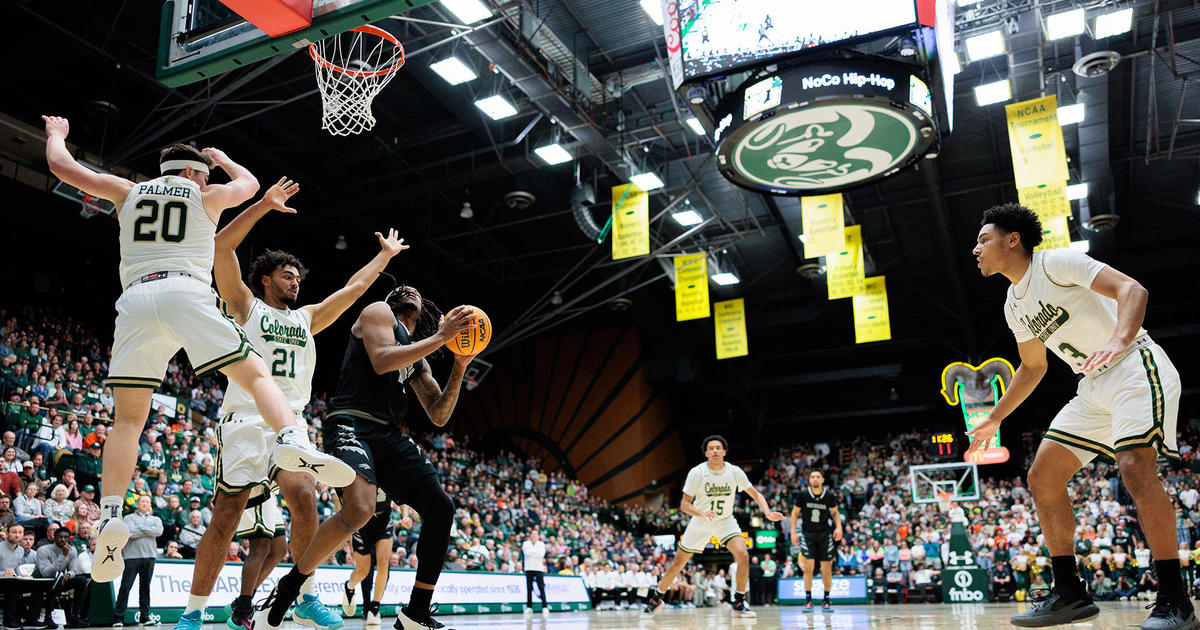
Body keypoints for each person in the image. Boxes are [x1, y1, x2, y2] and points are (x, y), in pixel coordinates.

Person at [41, 115, 353, 584]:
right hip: (185, 292)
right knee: (256, 374)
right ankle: (290, 438)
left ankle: (108, 515)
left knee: (127, 419)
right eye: (203, 172)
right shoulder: (205, 195)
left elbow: (61, 168)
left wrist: (56, 135)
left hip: (135, 300)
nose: (208, 179)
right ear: (190, 173)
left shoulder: (126, 190)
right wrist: (223, 160)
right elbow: (247, 184)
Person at [172, 178, 405, 630]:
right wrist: (262, 205)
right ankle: (193, 613)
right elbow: (221, 250)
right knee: (225, 518)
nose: (295, 282)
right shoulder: (244, 306)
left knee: (303, 499)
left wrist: (384, 257)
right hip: (244, 419)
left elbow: (354, 289)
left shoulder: (308, 317)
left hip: (290, 426)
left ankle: (304, 594)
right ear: (266, 278)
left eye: (299, 278)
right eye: (287, 275)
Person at [967, 203, 1193, 630]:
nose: (975, 249)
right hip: (1092, 388)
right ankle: (1069, 592)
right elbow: (1033, 368)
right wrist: (995, 418)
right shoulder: (1014, 304)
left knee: (1134, 467)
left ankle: (1175, 600)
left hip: (1133, 366)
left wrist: (1120, 339)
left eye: (983, 239)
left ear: (1012, 240)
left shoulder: (1056, 262)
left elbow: (1133, 290)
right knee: (1042, 475)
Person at [255, 287, 477, 630]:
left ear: (421, 312)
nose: (410, 291)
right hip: (350, 420)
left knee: (441, 508)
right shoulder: (378, 312)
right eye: (403, 289)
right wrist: (441, 337)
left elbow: (438, 414)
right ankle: (290, 587)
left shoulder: (417, 357)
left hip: (387, 435)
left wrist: (460, 366)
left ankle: (416, 612)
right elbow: (382, 359)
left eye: (416, 291)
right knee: (360, 508)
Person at [642, 435, 785, 619]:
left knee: (743, 554)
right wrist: (701, 513)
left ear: (724, 452)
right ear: (706, 453)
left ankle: (739, 601)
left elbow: (756, 495)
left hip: (725, 520)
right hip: (700, 521)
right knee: (678, 563)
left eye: (719, 447)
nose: (715, 450)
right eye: (711, 448)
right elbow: (685, 505)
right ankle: (657, 597)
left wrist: (767, 512)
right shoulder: (697, 472)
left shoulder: (734, 472)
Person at [341, 489, 407, 627]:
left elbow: (402, 494)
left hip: (383, 520)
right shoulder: (360, 469)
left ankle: (375, 608)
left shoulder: (389, 471)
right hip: (361, 521)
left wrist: (405, 516)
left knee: (384, 563)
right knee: (363, 571)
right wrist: (345, 531)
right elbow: (340, 498)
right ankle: (349, 586)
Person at [225, 488, 288, 630]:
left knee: (279, 550)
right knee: (260, 546)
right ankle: (242, 612)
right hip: (258, 485)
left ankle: (241, 602)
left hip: (271, 493)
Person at [789, 469, 842, 612]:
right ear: (809, 480)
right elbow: (794, 514)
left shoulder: (829, 496)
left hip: (825, 534)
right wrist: (793, 532)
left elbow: (836, 513)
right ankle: (808, 600)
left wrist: (839, 528)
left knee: (826, 568)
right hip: (808, 534)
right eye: (812, 477)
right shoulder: (803, 495)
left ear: (823, 480)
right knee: (808, 566)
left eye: (818, 477)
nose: (815, 479)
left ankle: (826, 599)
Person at [114, 496, 163, 626]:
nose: (145, 503)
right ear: (137, 503)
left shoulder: (156, 519)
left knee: (145, 588)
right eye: (142, 501)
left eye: (147, 502)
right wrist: (148, 530)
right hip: (132, 557)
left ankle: (145, 616)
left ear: (149, 504)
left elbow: (158, 531)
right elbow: (130, 532)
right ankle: (119, 617)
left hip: (150, 556)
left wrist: (140, 528)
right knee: (125, 587)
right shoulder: (128, 518)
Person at [522, 529, 550, 617]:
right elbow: (526, 553)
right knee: (529, 588)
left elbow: (541, 554)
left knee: (541, 588)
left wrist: (533, 552)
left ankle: (544, 606)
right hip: (529, 568)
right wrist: (535, 552)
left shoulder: (541, 544)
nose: (534, 536)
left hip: (539, 568)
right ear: (530, 535)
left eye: (535, 534)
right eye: (532, 534)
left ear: (538, 536)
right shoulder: (526, 543)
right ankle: (529, 606)